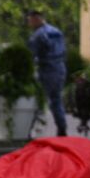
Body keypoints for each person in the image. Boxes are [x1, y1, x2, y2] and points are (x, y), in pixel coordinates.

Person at [26, 9, 68, 137]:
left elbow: (31, 55)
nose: (29, 23)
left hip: (46, 70)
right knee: (56, 99)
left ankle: (29, 129)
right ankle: (62, 128)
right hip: (59, 68)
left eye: (30, 20)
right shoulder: (56, 31)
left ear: (36, 19)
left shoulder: (38, 35)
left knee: (35, 100)